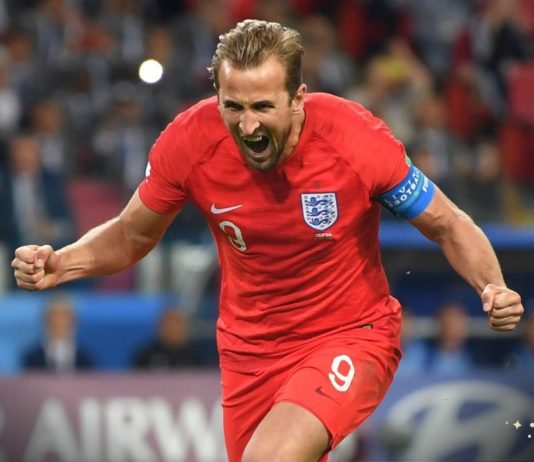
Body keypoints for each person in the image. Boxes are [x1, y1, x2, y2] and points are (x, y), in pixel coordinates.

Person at [11, 19, 524, 462]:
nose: (248, 124)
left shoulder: (355, 140)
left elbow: (447, 223)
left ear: (298, 98)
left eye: (262, 106)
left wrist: (492, 286)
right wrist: (64, 262)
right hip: (248, 353)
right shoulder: (189, 142)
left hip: (350, 334)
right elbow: (130, 234)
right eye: (232, 106)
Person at [23, 296, 93, 372]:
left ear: (73, 322)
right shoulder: (32, 358)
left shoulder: (85, 358)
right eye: (53, 317)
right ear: (45, 321)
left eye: (63, 318)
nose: (57, 323)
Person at [133, 307, 202, 370]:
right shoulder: (146, 355)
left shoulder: (194, 355)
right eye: (169, 326)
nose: (172, 330)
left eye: (177, 326)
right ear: (160, 328)